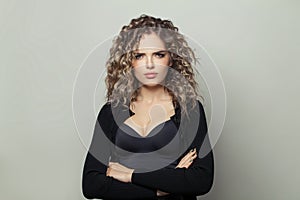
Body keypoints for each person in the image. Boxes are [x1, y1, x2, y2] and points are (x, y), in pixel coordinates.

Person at [82, 14, 214, 200]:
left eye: (159, 54)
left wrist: (129, 175)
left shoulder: (189, 110)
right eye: (140, 56)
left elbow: (201, 180)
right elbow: (91, 184)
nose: (150, 64)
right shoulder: (110, 112)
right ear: (129, 62)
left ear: (171, 59)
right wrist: (163, 188)